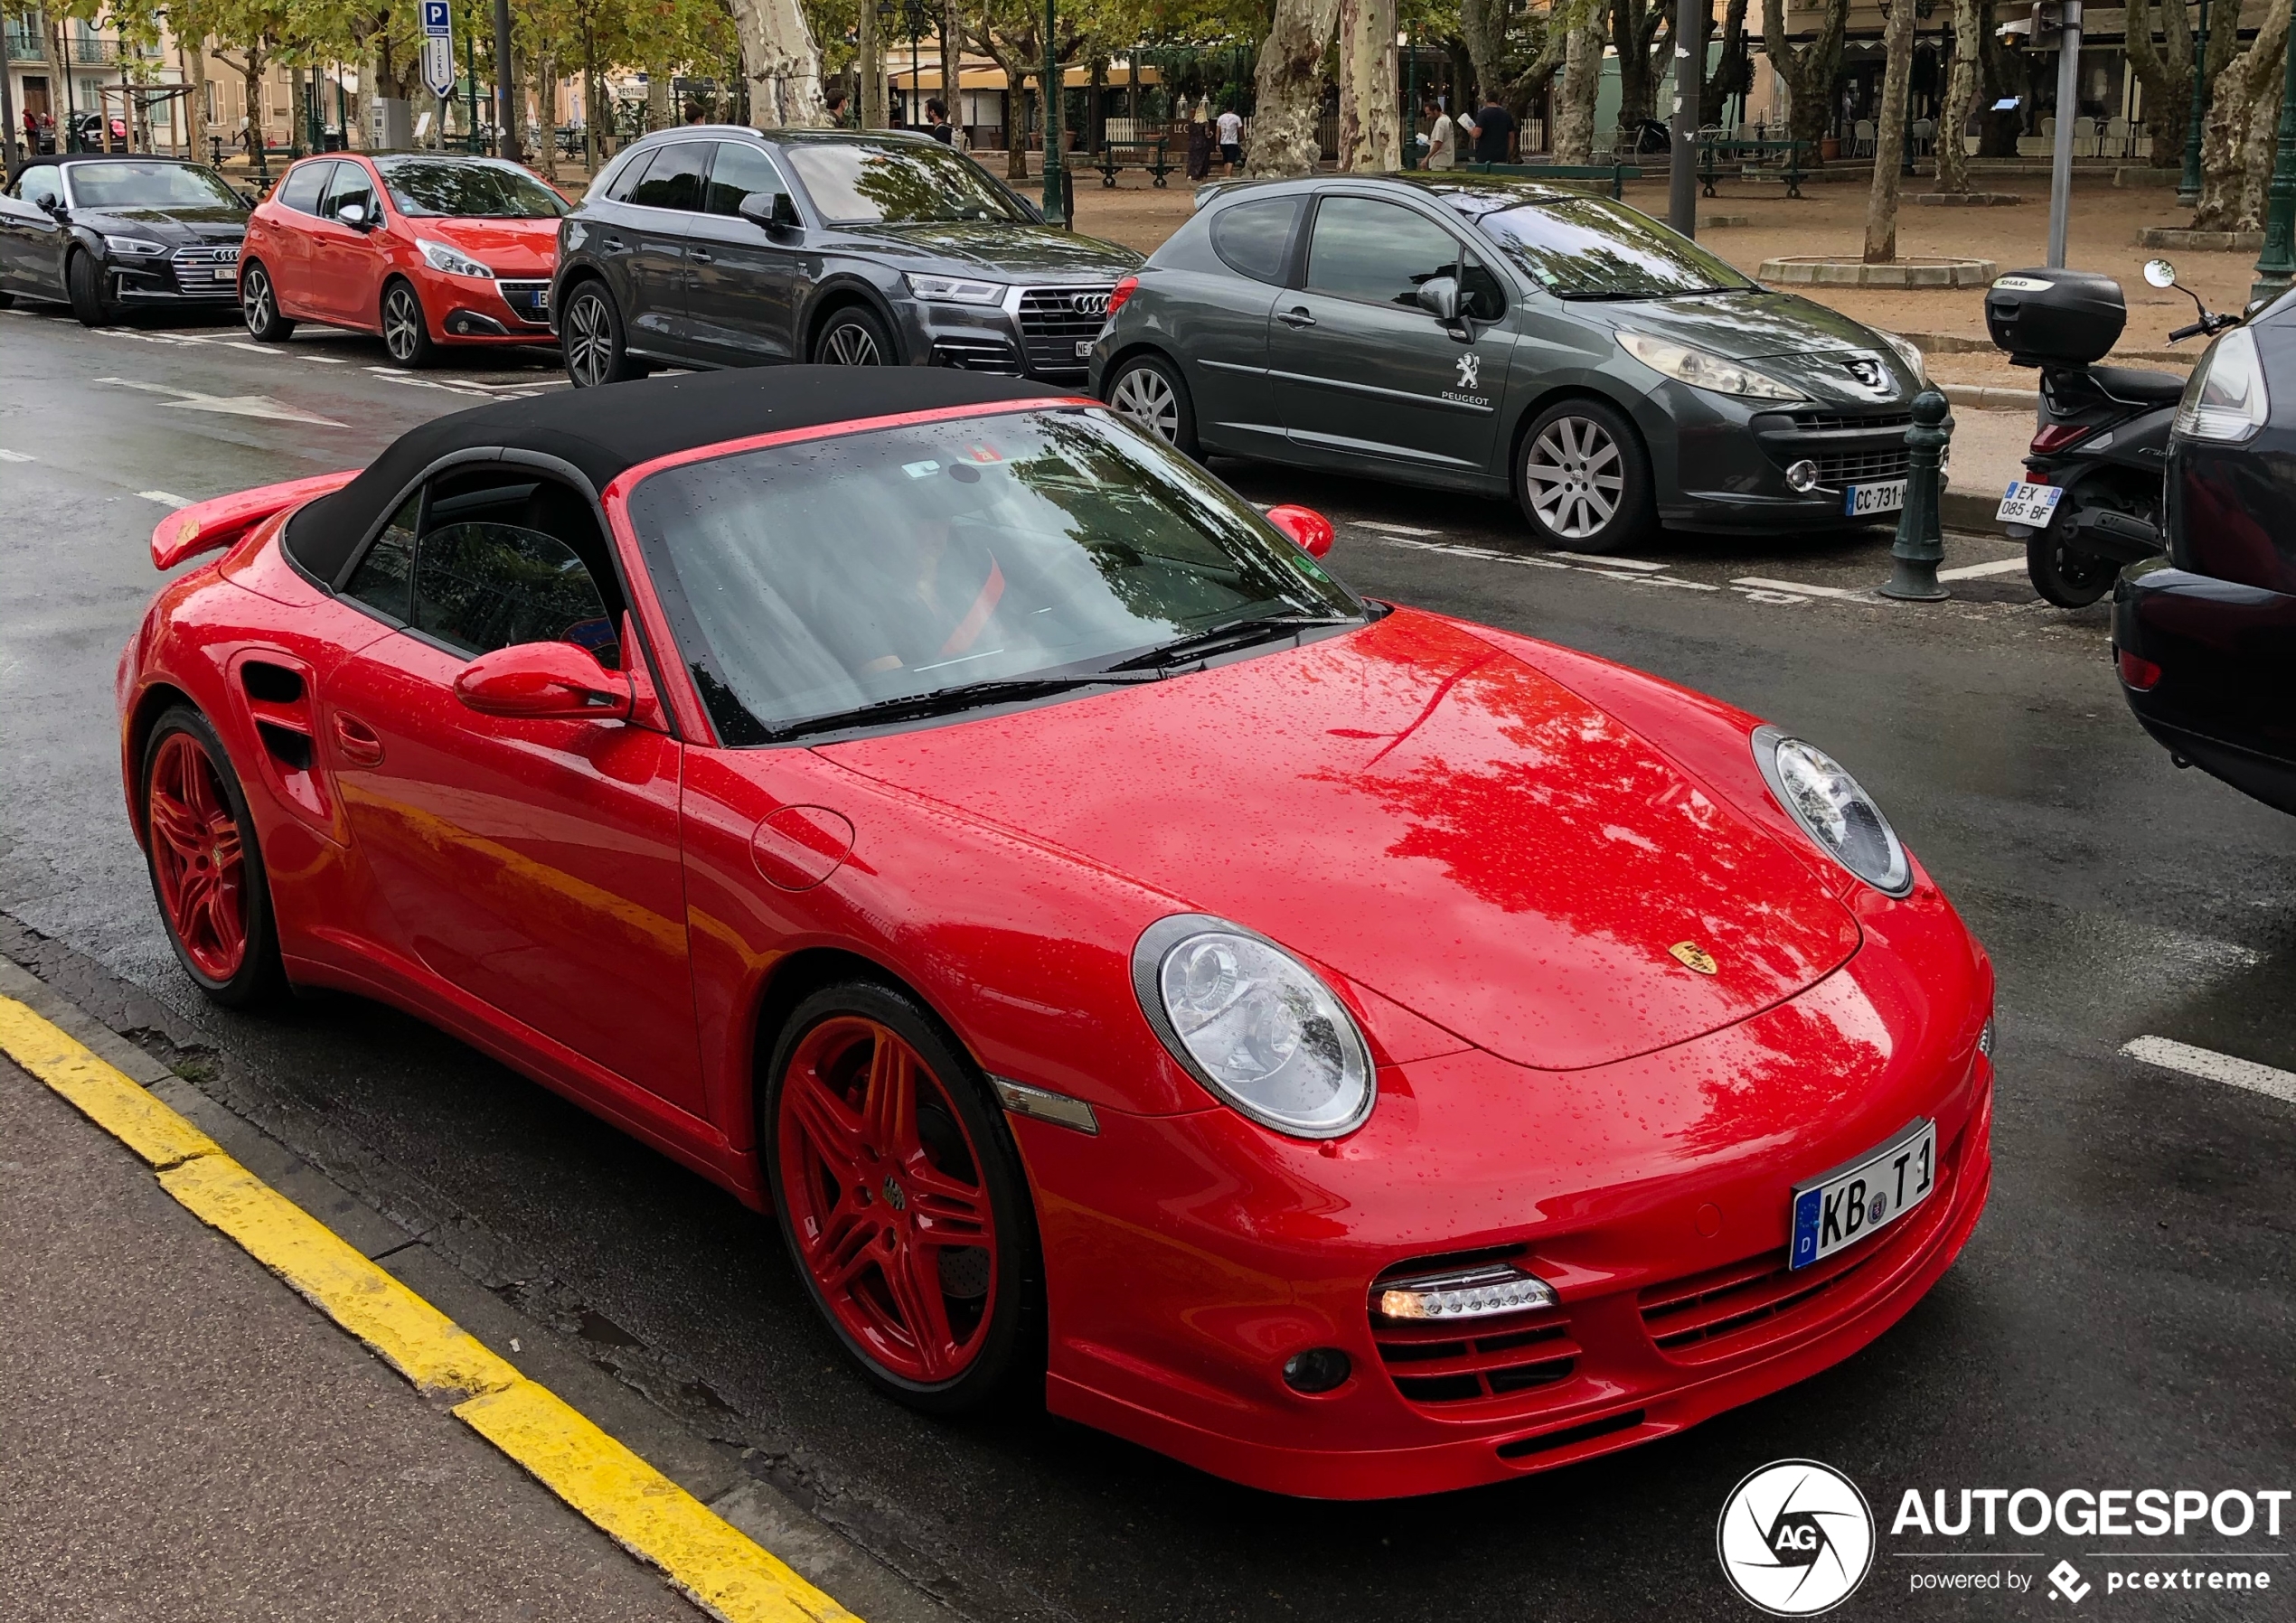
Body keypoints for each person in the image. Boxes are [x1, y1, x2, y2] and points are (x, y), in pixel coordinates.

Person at [1467, 96, 1513, 164]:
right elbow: (1511, 136)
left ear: (1486, 101)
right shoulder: (1506, 115)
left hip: (1485, 154)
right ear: (1497, 100)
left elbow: (1476, 134)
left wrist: (1470, 131)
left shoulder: (1483, 114)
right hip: (1501, 155)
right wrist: (1508, 152)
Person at [1421, 93, 1454, 170]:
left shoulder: (1440, 122)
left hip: (1439, 161)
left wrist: (1427, 158)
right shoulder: (1446, 119)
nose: (1428, 117)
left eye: (1429, 114)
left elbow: (1438, 142)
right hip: (1446, 160)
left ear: (1435, 111)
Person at [1215, 101, 1242, 174]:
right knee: (1231, 161)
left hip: (1223, 141)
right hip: (1233, 141)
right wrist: (1242, 139)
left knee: (1225, 160)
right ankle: (1228, 176)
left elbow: (1218, 132)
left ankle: (1226, 175)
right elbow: (1240, 130)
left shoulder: (1220, 118)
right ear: (1233, 108)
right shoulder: (1237, 118)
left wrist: (1217, 143)